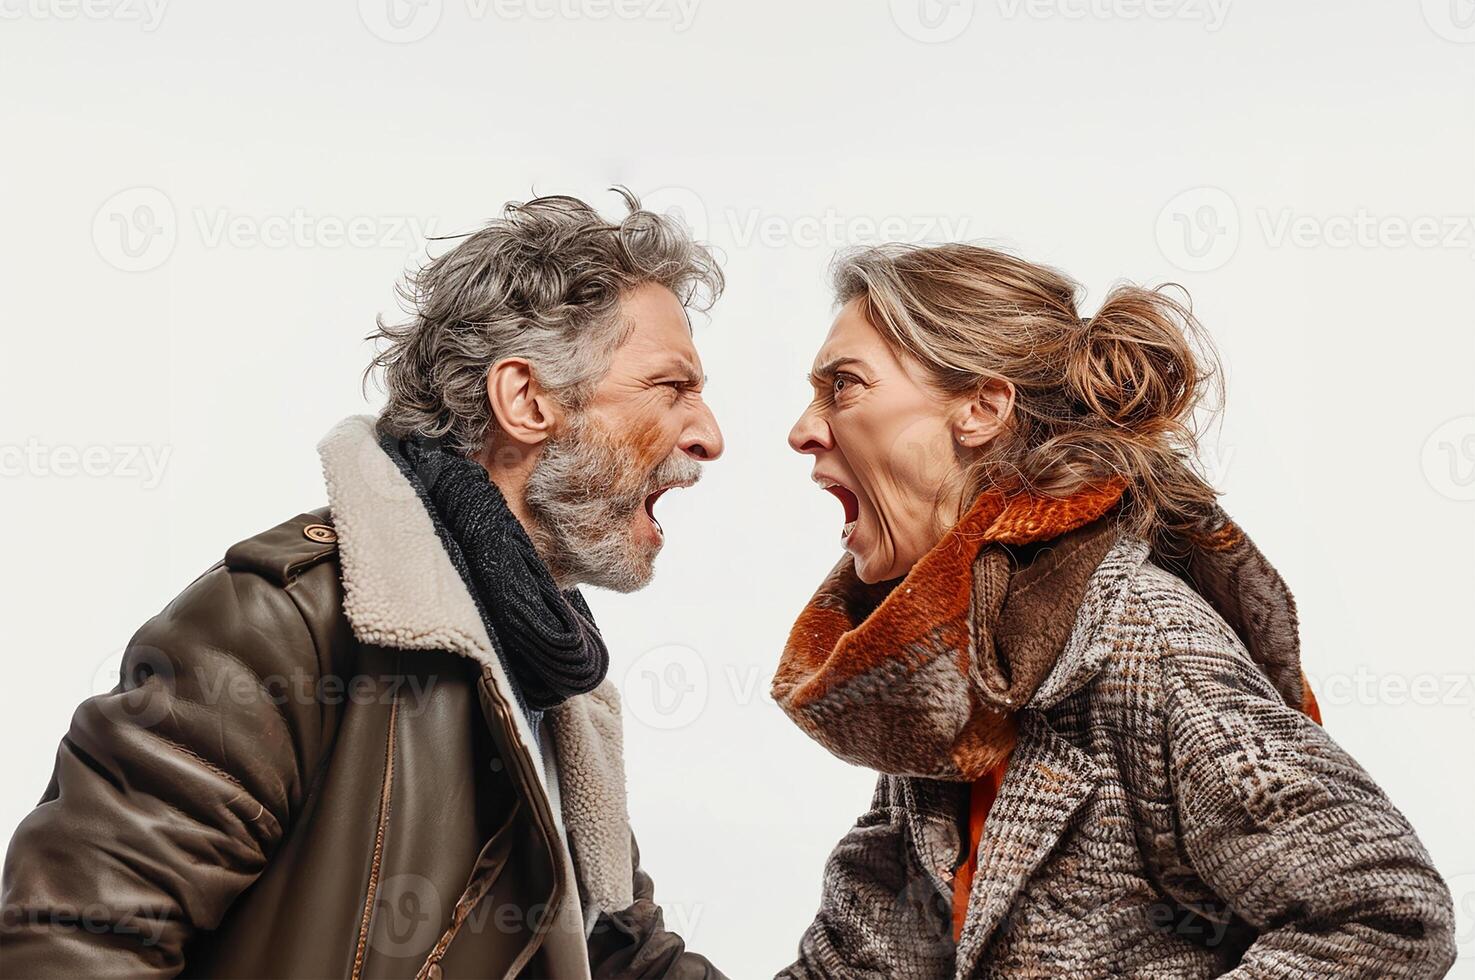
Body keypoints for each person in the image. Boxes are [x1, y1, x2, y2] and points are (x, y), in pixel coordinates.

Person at [0, 191, 727, 979]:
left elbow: (622, 958)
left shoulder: (559, 681)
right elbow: (70, 945)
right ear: (526, 401)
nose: (709, 434)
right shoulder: (281, 624)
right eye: (672, 387)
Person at [773, 242, 1456, 978]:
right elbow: (861, 965)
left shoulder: (1147, 645)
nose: (803, 430)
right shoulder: (956, 667)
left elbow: (1387, 917)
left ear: (981, 407)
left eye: (843, 386)